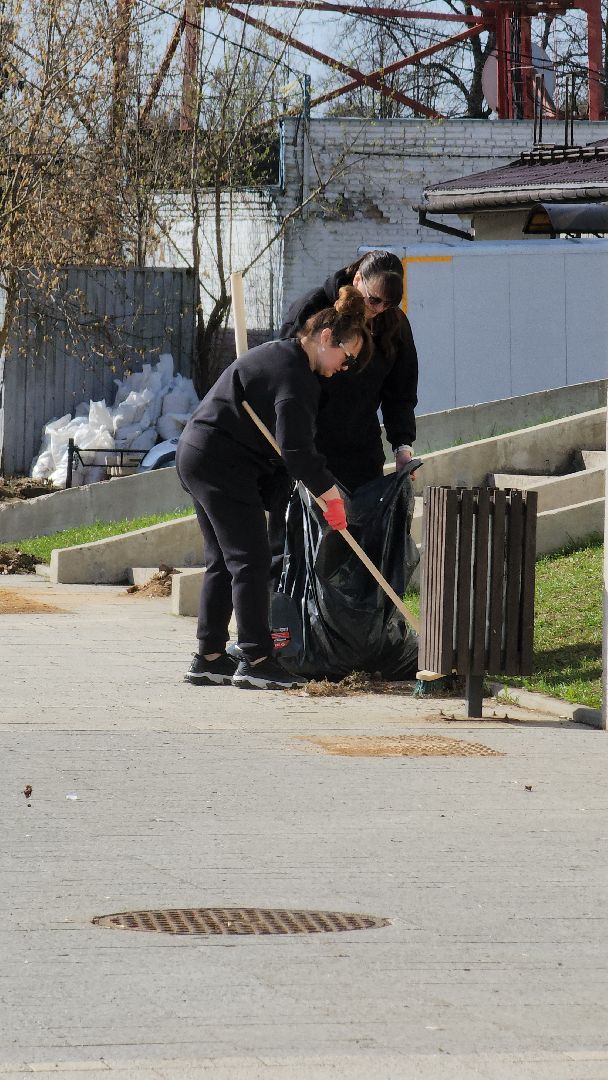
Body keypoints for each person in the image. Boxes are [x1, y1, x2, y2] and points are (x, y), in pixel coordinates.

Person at [176, 286, 372, 692]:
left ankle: (209, 658)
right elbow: (296, 451)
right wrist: (331, 496)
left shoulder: (284, 358)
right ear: (325, 338)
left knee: (224, 561)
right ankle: (257, 659)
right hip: (220, 462)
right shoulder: (294, 377)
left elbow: (282, 454)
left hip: (200, 453)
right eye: (346, 357)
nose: (345, 366)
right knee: (250, 560)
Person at [279, 249, 418, 490]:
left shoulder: (393, 323)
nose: (380, 309)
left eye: (389, 304)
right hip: (312, 449)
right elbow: (285, 379)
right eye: (374, 300)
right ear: (357, 279)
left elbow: (400, 392)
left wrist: (402, 445)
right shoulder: (312, 308)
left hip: (362, 453)